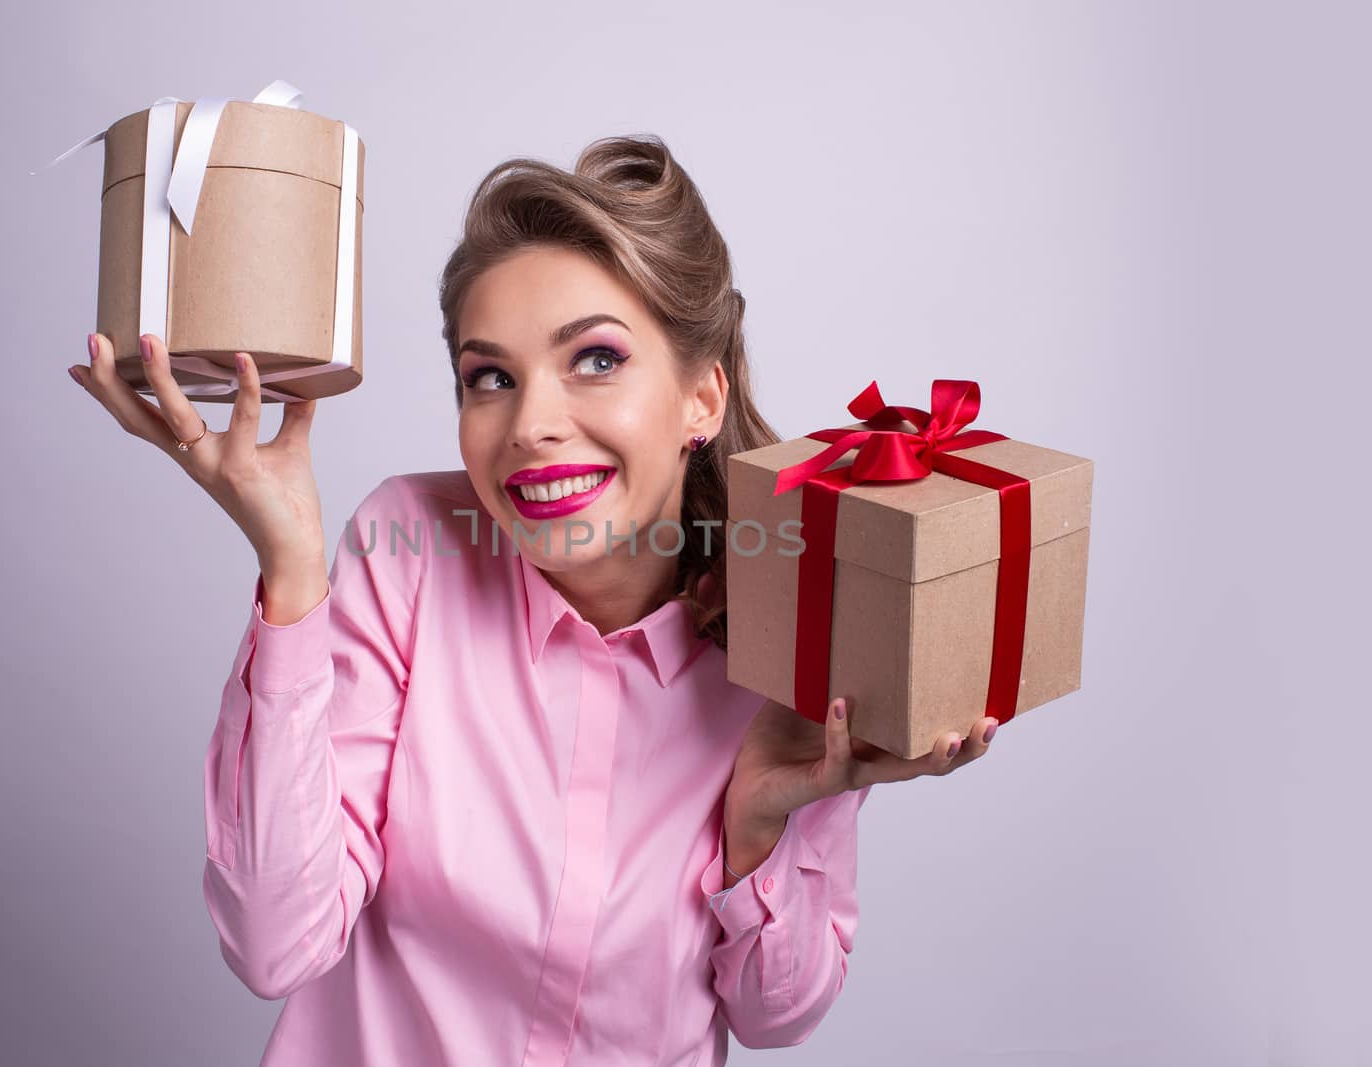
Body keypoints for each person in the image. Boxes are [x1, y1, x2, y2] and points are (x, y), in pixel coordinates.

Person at [67, 134, 998, 1066]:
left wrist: (758, 822)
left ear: (701, 398)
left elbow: (775, 1015)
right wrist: (292, 569)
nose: (532, 426)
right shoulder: (413, 550)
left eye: (596, 359)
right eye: (491, 378)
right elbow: (276, 945)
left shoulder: (795, 626)